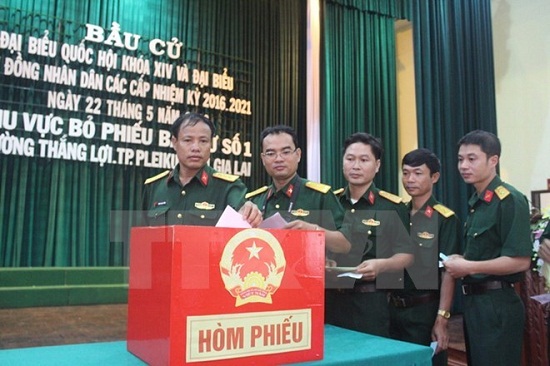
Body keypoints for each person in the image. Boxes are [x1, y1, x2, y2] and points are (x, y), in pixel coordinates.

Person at [444, 130, 531, 366]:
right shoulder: (479, 203)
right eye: (460, 159)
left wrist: (468, 266)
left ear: (493, 160)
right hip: (475, 304)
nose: (463, 165)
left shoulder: (509, 199)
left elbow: (521, 260)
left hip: (497, 303)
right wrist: (462, 260)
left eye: (472, 159)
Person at [327, 132, 413, 337]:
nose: (355, 166)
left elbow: (407, 256)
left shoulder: (392, 207)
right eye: (350, 159)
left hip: (370, 303)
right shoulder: (331, 201)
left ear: (377, 165)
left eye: (364, 160)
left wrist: (380, 265)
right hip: (330, 301)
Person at [389, 148, 461, 366]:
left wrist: (442, 317)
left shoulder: (445, 219)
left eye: (418, 173)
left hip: (424, 311)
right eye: (405, 173)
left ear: (435, 177)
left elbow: (448, 272)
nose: (410, 179)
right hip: (392, 311)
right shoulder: (395, 214)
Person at [141, 112, 262, 227]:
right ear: (174, 142)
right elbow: (144, 236)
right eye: (188, 140)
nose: (196, 148)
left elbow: (243, 211)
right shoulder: (154, 187)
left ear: (211, 144)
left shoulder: (228, 187)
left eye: (203, 141)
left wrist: (249, 210)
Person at [246, 125, 351, 254]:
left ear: (298, 155)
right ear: (263, 159)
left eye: (285, 152)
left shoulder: (319, 196)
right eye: (271, 153)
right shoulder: (255, 200)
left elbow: (346, 244)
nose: (278, 159)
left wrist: (314, 231)